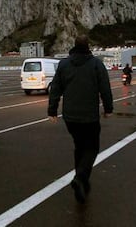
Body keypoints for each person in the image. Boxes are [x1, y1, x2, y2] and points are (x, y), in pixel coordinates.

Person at [47, 35, 113, 203]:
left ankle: (82, 180)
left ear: (74, 46)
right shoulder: (96, 64)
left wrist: (52, 110)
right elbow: (105, 87)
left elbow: (55, 88)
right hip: (89, 116)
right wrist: (108, 108)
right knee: (92, 148)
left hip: (70, 117)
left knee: (79, 146)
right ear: (88, 46)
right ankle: (80, 177)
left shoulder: (64, 64)